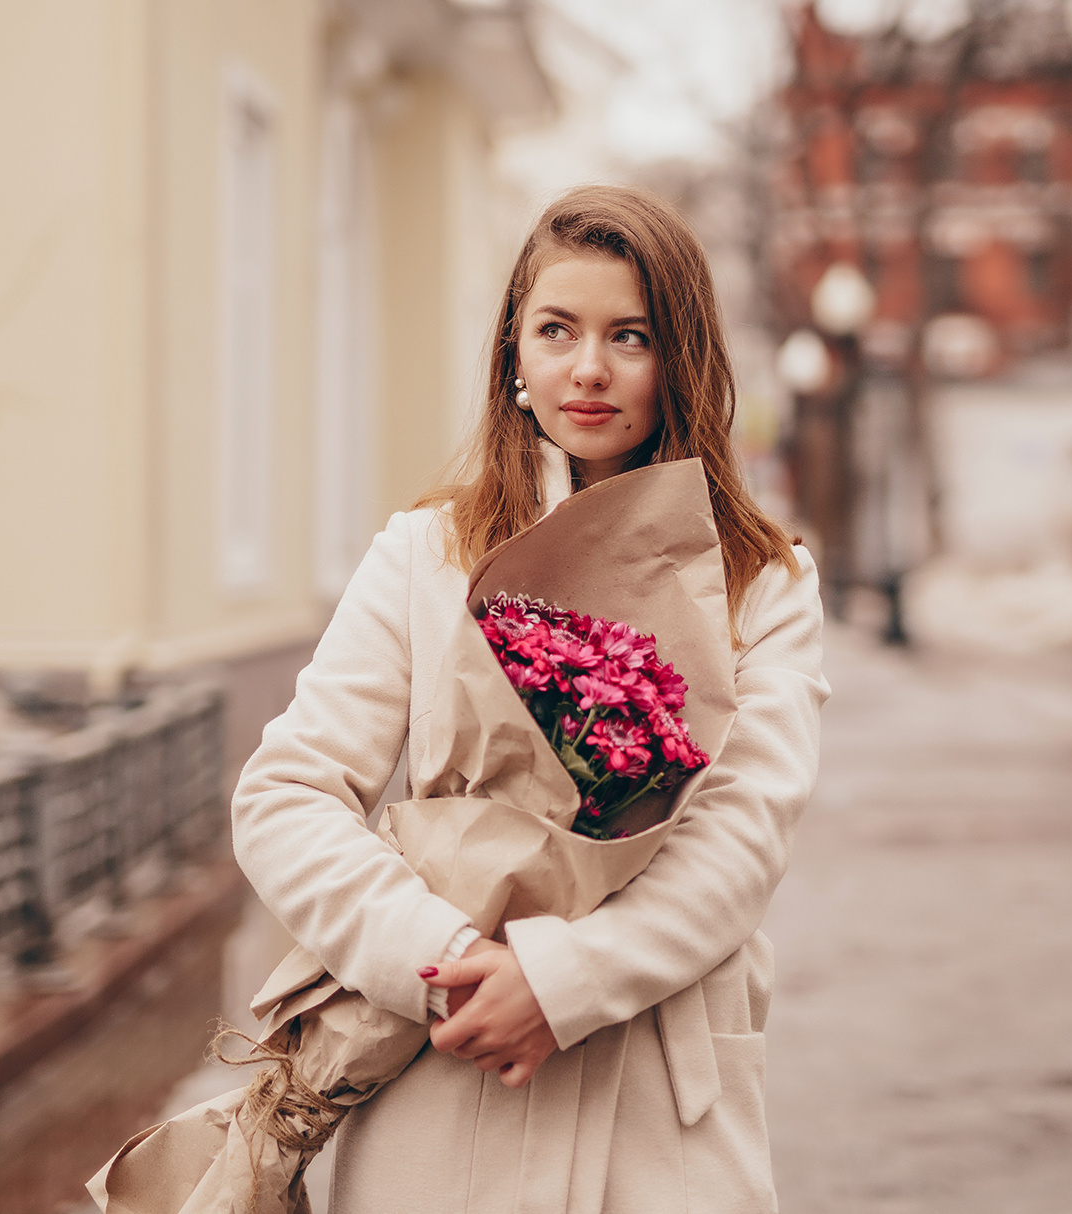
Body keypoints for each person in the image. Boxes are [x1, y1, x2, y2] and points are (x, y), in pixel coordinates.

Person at [230, 184, 828, 1213]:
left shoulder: (759, 579)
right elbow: (285, 796)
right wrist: (445, 961)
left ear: (678, 359)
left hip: (660, 1104)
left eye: (627, 335)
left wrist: (564, 982)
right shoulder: (425, 554)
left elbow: (740, 838)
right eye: (556, 329)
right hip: (448, 1081)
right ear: (515, 352)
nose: (586, 367)